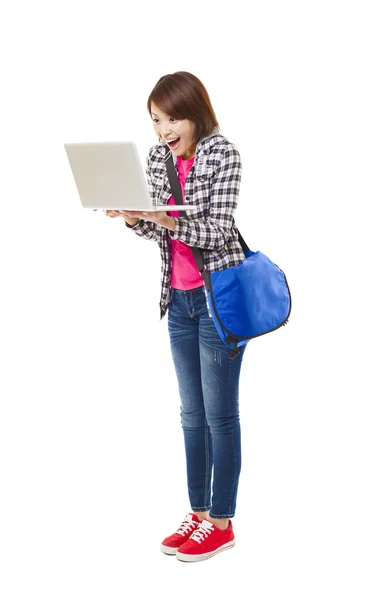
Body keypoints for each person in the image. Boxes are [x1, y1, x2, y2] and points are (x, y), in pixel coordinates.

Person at [103, 72, 247, 562]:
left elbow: (218, 229)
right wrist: (136, 218)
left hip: (217, 301)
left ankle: (222, 522)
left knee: (219, 415)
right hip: (178, 300)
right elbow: (158, 236)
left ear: (195, 113)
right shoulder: (158, 158)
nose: (163, 130)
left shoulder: (221, 152)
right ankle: (199, 512)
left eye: (171, 118)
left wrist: (167, 217)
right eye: (156, 121)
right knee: (191, 415)